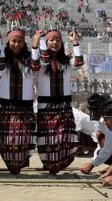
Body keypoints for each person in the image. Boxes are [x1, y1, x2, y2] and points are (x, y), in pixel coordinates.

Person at [0, 29, 37, 174]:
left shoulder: (29, 59)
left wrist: (35, 43)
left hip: (25, 105)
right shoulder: (4, 59)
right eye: (13, 41)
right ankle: (11, 165)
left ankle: (19, 165)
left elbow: (36, 64)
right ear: (8, 42)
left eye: (20, 42)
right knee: (7, 139)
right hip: (7, 105)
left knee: (24, 138)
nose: (16, 44)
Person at [33, 29, 83, 174]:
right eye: (51, 40)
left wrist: (75, 42)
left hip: (64, 105)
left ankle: (61, 162)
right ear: (46, 43)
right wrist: (37, 42)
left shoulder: (66, 61)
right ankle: (48, 163)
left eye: (57, 41)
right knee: (46, 137)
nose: (54, 43)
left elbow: (79, 62)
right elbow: (35, 64)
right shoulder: (41, 61)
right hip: (45, 105)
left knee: (65, 136)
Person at [78, 94, 112, 175]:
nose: (90, 113)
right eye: (90, 110)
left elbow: (108, 148)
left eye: (92, 111)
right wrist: (93, 161)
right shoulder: (99, 120)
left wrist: (92, 164)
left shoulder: (111, 120)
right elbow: (100, 145)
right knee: (99, 142)